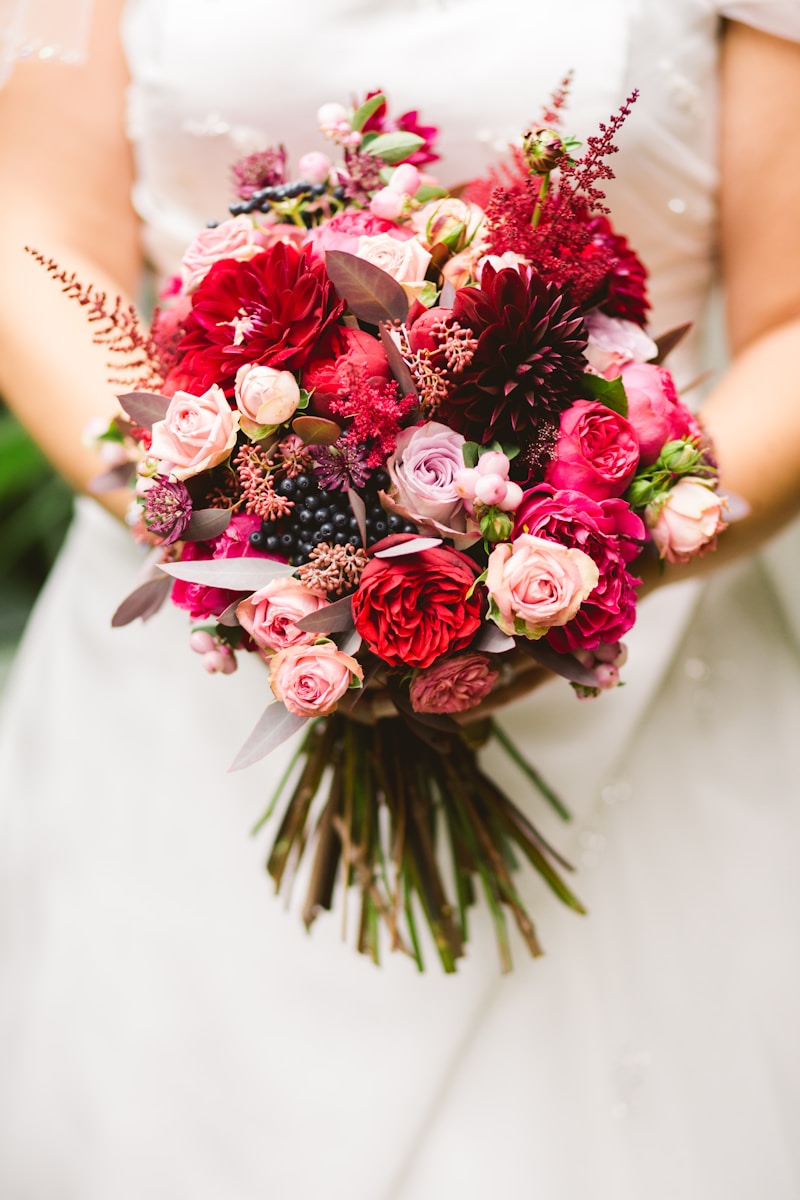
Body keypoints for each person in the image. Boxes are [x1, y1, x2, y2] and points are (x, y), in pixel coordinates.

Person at [1, 1, 799, 1196]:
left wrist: (563, 571)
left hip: (628, 655)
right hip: (191, 656)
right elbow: (36, 236)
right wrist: (225, 527)